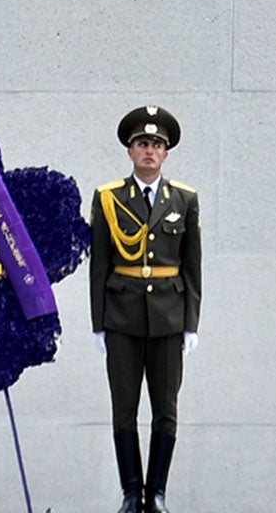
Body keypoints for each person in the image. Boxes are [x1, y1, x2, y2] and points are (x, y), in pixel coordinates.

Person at [89, 105, 201, 513]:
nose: (149, 151)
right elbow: (99, 265)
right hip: (121, 315)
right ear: (131, 151)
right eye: (142, 144)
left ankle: (157, 493)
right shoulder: (108, 198)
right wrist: (98, 322)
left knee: (165, 411)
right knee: (124, 409)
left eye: (156, 144)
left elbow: (192, 266)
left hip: (170, 315)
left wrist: (191, 323)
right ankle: (130, 492)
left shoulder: (184, 199)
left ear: (166, 153)